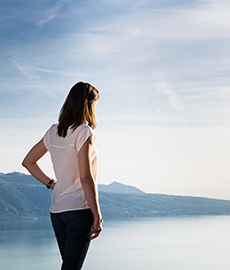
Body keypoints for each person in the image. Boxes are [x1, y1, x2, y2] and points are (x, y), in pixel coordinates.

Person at [22, 81, 102, 270]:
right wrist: (97, 214)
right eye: (94, 105)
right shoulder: (84, 132)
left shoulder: (53, 131)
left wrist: (52, 184)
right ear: (88, 105)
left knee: (68, 266)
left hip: (57, 210)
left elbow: (28, 162)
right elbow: (86, 177)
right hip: (79, 210)